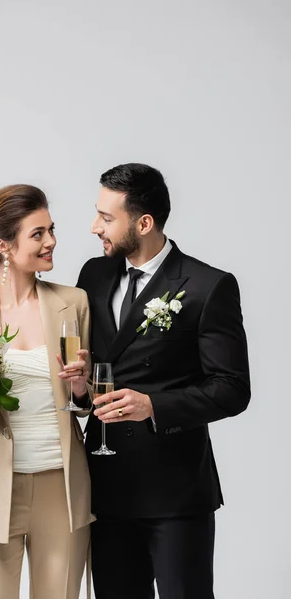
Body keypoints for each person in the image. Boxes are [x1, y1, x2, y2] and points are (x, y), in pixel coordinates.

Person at [76, 163, 250, 599]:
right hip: (107, 484)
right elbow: (91, 375)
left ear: (144, 222)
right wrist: (80, 382)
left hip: (175, 491)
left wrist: (154, 405)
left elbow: (231, 388)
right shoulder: (93, 276)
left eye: (107, 217)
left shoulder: (208, 285)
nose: (94, 226)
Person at [0, 184, 94, 599]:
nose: (52, 241)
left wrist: (82, 390)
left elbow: (87, 401)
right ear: (3, 246)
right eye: (38, 233)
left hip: (61, 487)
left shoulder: (74, 302)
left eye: (52, 230)